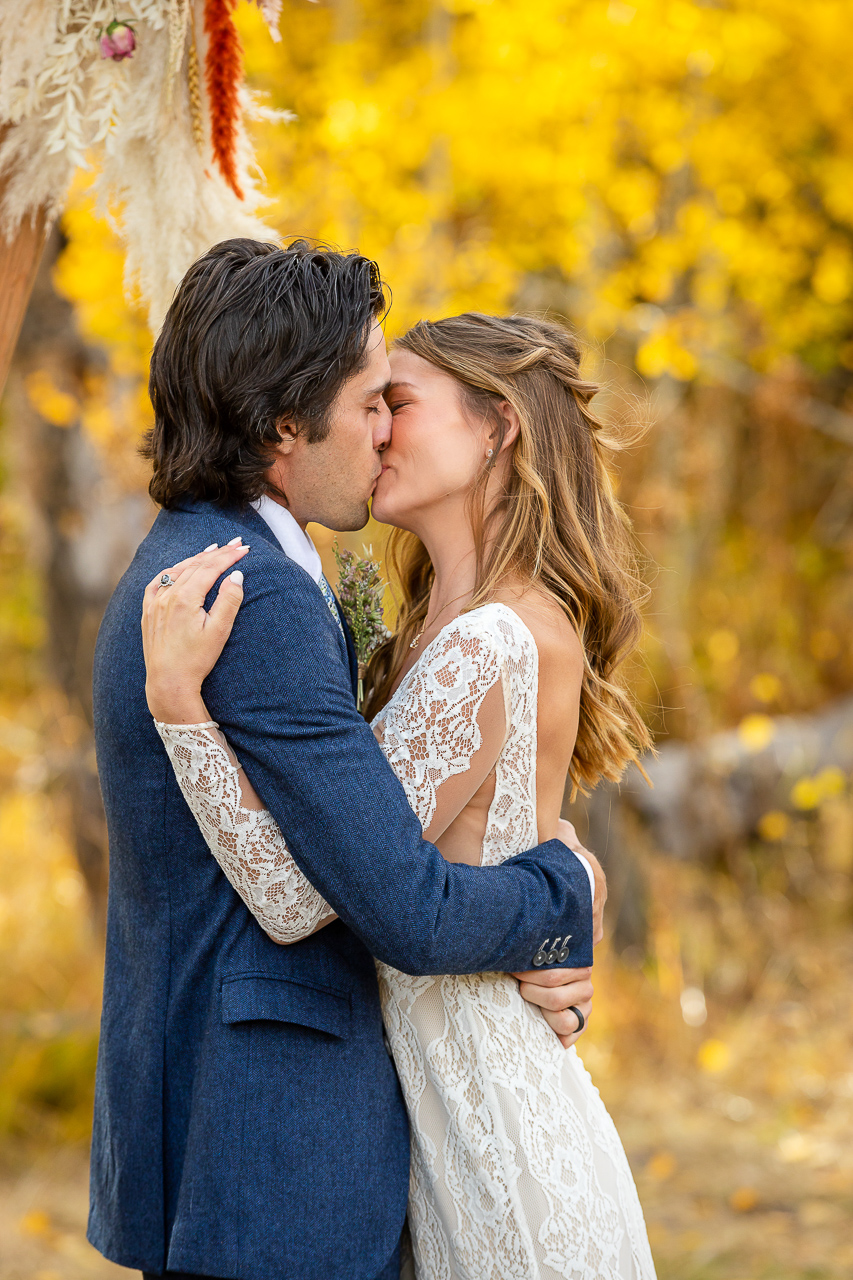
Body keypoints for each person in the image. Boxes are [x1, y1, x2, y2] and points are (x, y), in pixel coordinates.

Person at [88, 238, 605, 1280]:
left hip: (257, 1142)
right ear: (286, 424)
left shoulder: (227, 559)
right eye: (373, 402)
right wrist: (562, 887)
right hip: (272, 1155)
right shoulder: (255, 597)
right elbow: (381, 902)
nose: (381, 432)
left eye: (398, 404)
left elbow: (372, 822)